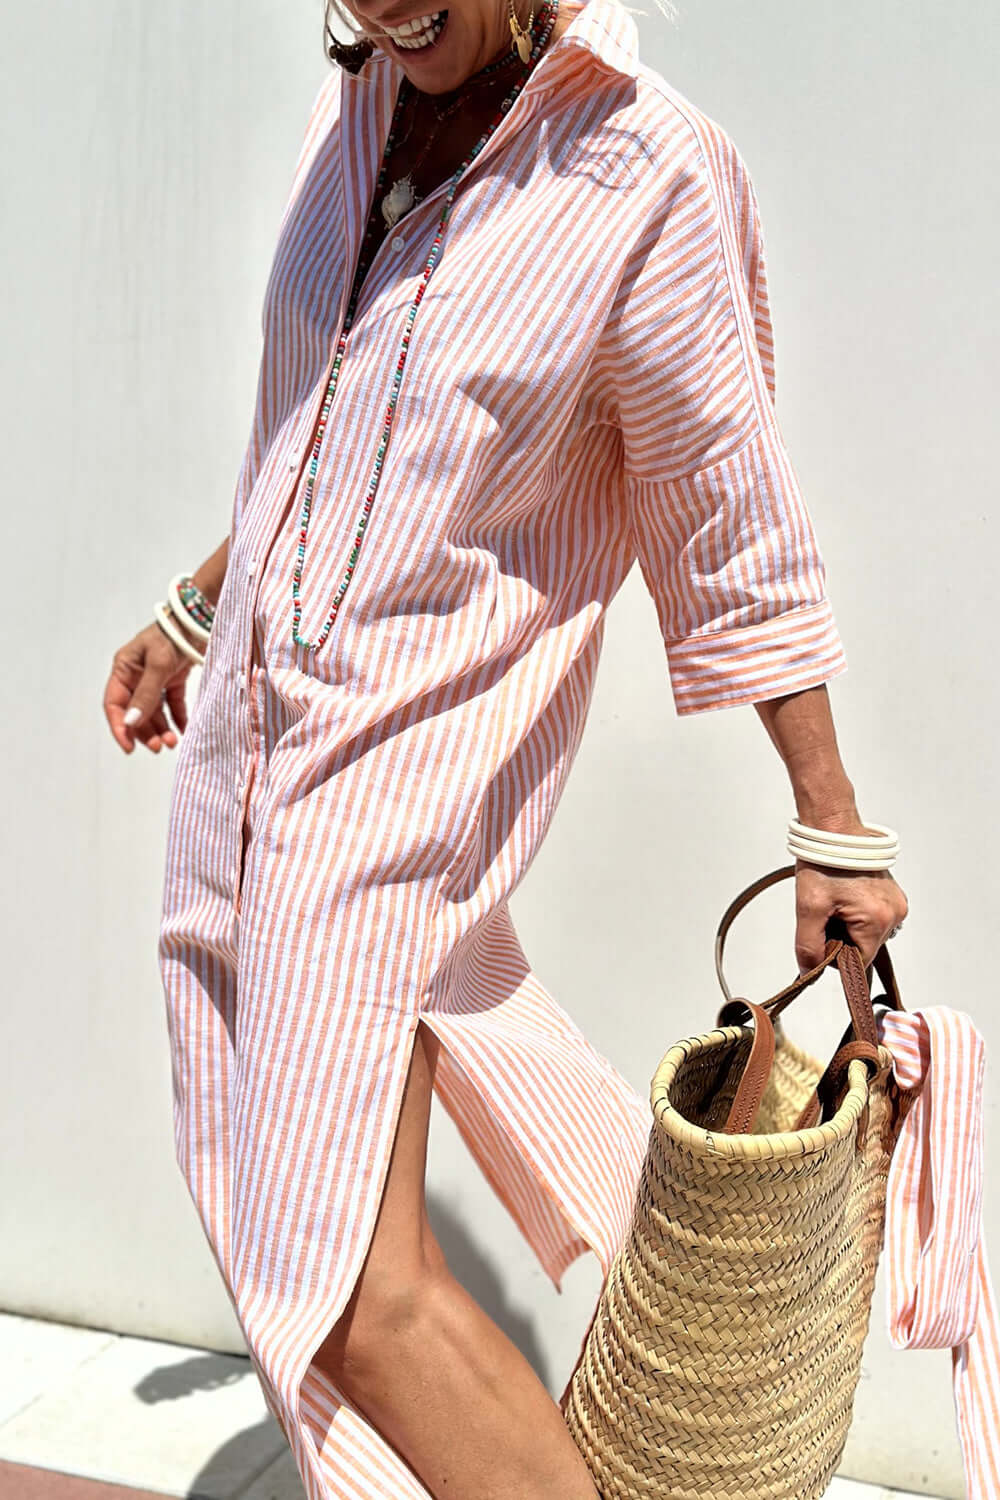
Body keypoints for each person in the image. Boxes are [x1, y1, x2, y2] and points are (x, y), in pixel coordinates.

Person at [102, 0, 908, 1494]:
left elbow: (723, 501)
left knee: (352, 1282)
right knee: (271, 1221)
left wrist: (831, 817)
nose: (385, 7)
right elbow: (328, 426)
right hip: (243, 760)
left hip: (396, 788)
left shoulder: (644, 171)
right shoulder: (354, 121)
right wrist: (198, 605)